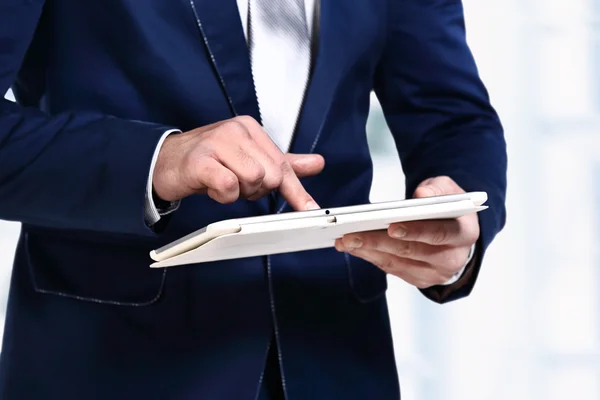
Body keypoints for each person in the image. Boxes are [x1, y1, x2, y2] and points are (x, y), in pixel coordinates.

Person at [0, 0, 506, 398]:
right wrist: (160, 160)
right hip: (114, 364)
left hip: (340, 357)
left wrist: (457, 217)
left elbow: (452, 117)